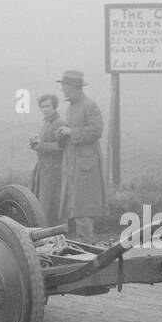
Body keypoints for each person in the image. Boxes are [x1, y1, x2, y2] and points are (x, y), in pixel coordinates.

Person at [55, 70, 107, 243]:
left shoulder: (90, 105)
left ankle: (87, 247)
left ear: (73, 87)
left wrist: (71, 132)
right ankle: (86, 243)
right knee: (75, 206)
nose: (62, 90)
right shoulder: (70, 108)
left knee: (83, 207)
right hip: (72, 162)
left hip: (86, 163)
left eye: (64, 86)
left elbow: (97, 131)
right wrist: (62, 134)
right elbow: (72, 133)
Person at [29, 93, 66, 225]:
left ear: (54, 107)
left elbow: (62, 146)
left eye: (47, 106)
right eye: (42, 106)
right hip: (43, 167)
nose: (45, 109)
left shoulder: (59, 123)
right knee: (41, 199)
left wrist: (42, 145)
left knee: (50, 201)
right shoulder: (46, 122)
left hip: (54, 168)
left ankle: (51, 230)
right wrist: (36, 142)